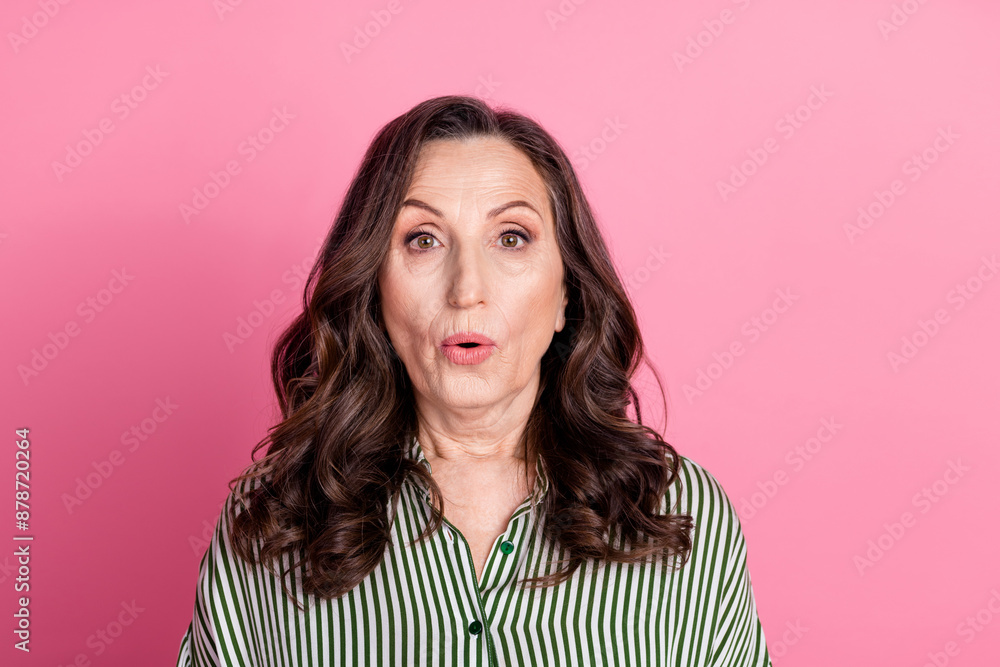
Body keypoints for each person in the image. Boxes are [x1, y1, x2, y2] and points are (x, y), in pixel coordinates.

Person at [175, 95, 772, 666]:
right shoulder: (271, 519)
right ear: (374, 288)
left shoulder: (681, 514)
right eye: (423, 240)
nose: (466, 290)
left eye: (511, 238)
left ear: (567, 292)